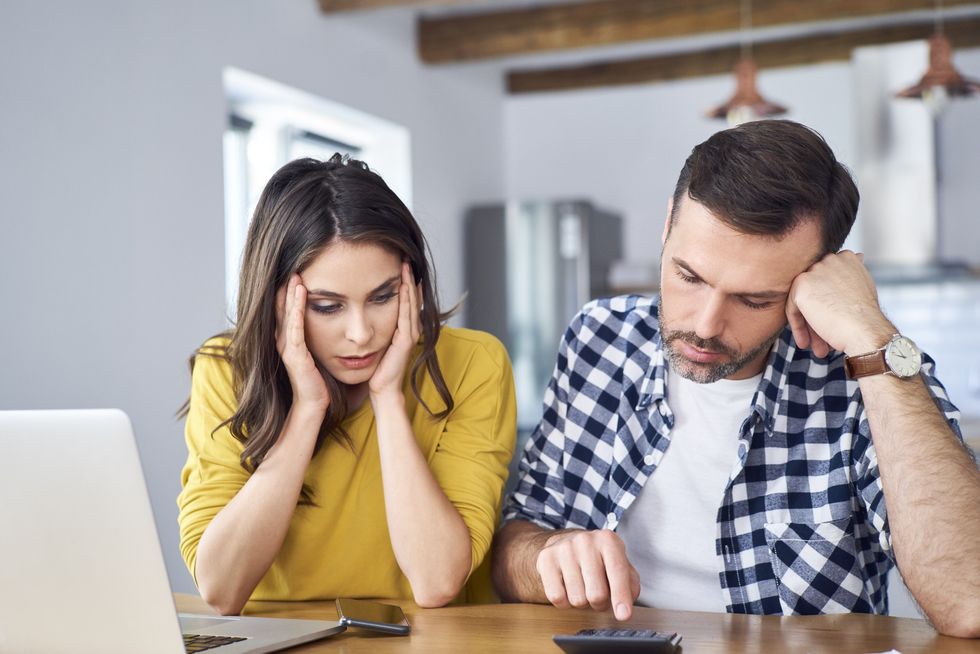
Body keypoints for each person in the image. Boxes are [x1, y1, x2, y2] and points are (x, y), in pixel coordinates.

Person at [492, 120, 980, 638]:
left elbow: (969, 600)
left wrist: (869, 333)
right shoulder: (600, 337)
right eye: (689, 276)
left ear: (813, 280)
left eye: (755, 300)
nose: (705, 325)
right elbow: (514, 543)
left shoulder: (867, 375)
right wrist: (546, 553)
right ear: (667, 227)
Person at [178, 155, 516, 615]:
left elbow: (437, 581)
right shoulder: (226, 369)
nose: (360, 333)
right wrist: (305, 411)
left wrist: (388, 400)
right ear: (279, 301)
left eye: (382, 297)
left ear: (411, 283)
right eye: (327, 306)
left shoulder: (473, 363)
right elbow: (220, 587)